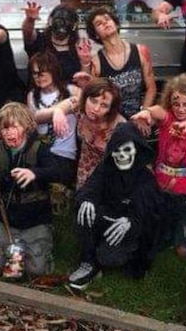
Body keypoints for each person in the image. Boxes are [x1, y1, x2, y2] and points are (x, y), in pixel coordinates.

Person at [0, 103, 63, 277]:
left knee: (35, 271)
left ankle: (42, 253)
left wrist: (34, 173)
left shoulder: (38, 149)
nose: (9, 133)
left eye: (14, 127)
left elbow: (58, 172)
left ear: (26, 127)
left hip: (36, 220)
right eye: (4, 129)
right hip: (6, 220)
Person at [68, 123, 173, 289]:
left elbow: (149, 217)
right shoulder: (106, 168)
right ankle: (88, 261)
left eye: (127, 150)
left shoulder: (145, 179)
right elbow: (89, 188)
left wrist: (130, 222)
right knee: (84, 207)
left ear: (136, 150)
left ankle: (126, 256)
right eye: (117, 150)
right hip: (108, 218)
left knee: (109, 257)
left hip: (133, 230)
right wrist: (87, 200)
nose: (122, 155)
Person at [131, 74, 186, 257]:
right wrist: (146, 112)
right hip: (162, 194)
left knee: (183, 251)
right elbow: (156, 112)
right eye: (176, 104)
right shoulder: (168, 118)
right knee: (151, 240)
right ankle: (170, 228)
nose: (181, 109)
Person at [50, 78, 126, 189]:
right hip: (85, 171)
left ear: (111, 109)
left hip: (110, 177)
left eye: (104, 105)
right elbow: (65, 105)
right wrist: (58, 112)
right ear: (86, 97)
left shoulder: (120, 126)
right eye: (93, 101)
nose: (95, 108)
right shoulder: (81, 108)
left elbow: (128, 163)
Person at [83, 7, 157, 120]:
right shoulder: (96, 62)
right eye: (99, 23)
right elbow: (92, 99)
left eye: (107, 19)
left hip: (137, 118)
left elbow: (151, 88)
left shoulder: (141, 51)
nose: (105, 23)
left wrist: (144, 114)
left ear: (116, 24)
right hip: (111, 121)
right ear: (96, 34)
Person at [27, 52, 79, 186]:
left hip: (65, 155)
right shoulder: (32, 95)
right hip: (41, 154)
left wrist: (60, 110)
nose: (38, 77)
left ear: (53, 70)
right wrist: (58, 111)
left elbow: (78, 101)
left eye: (42, 72)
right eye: (34, 73)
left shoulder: (71, 90)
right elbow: (35, 117)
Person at [21, 2, 88, 84]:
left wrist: (85, 62)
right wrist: (30, 20)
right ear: (50, 21)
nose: (61, 25)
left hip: (71, 93)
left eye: (66, 21)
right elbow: (28, 34)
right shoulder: (40, 40)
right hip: (40, 93)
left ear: (74, 25)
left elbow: (84, 78)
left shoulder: (79, 47)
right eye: (58, 20)